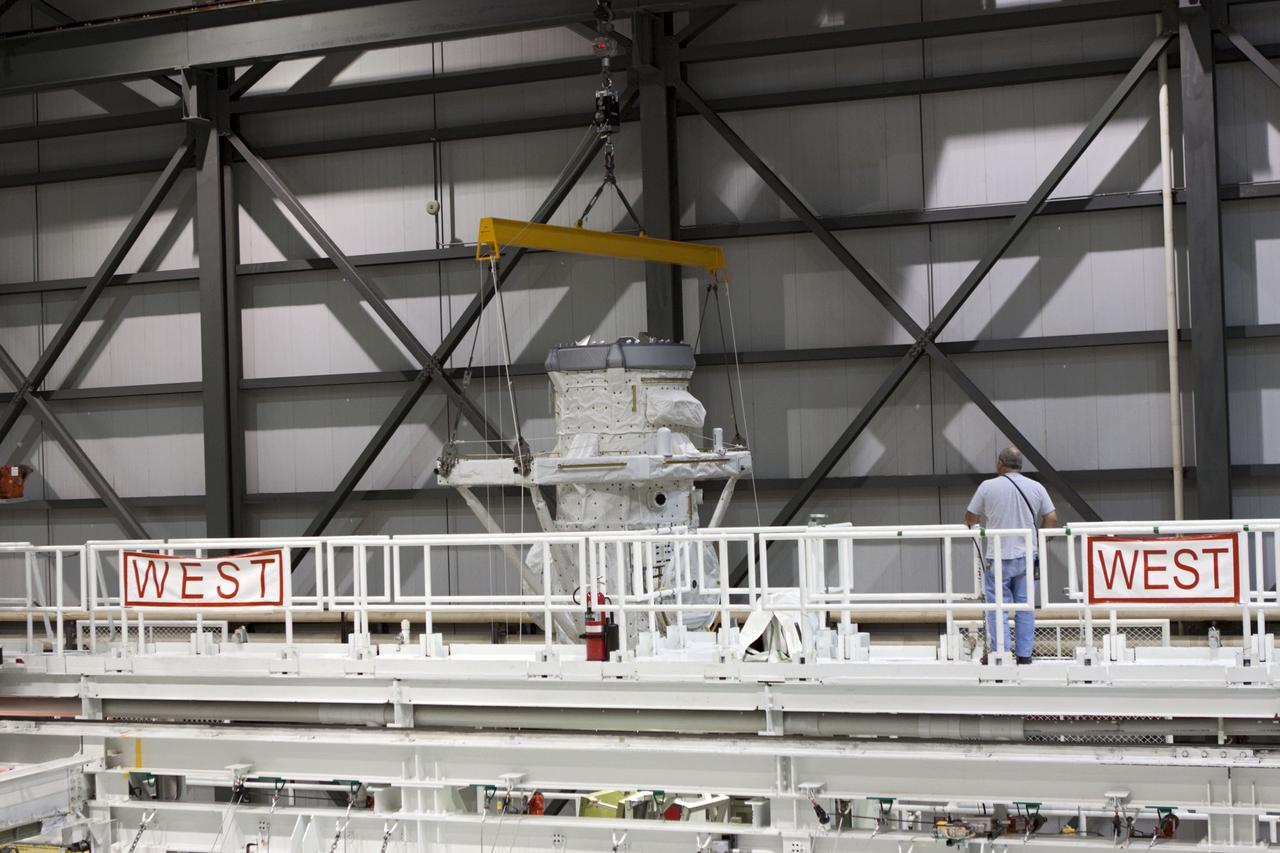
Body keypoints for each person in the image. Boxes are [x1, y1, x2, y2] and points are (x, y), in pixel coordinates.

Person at [964, 447, 1058, 664]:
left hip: (997, 557)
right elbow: (1051, 517)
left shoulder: (987, 487)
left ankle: (1001, 654)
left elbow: (971, 517)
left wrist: (974, 523)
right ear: (1021, 465)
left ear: (999, 463)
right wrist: (1042, 539)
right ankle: (1025, 655)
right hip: (1027, 556)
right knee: (1026, 608)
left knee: (998, 608)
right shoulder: (1036, 487)